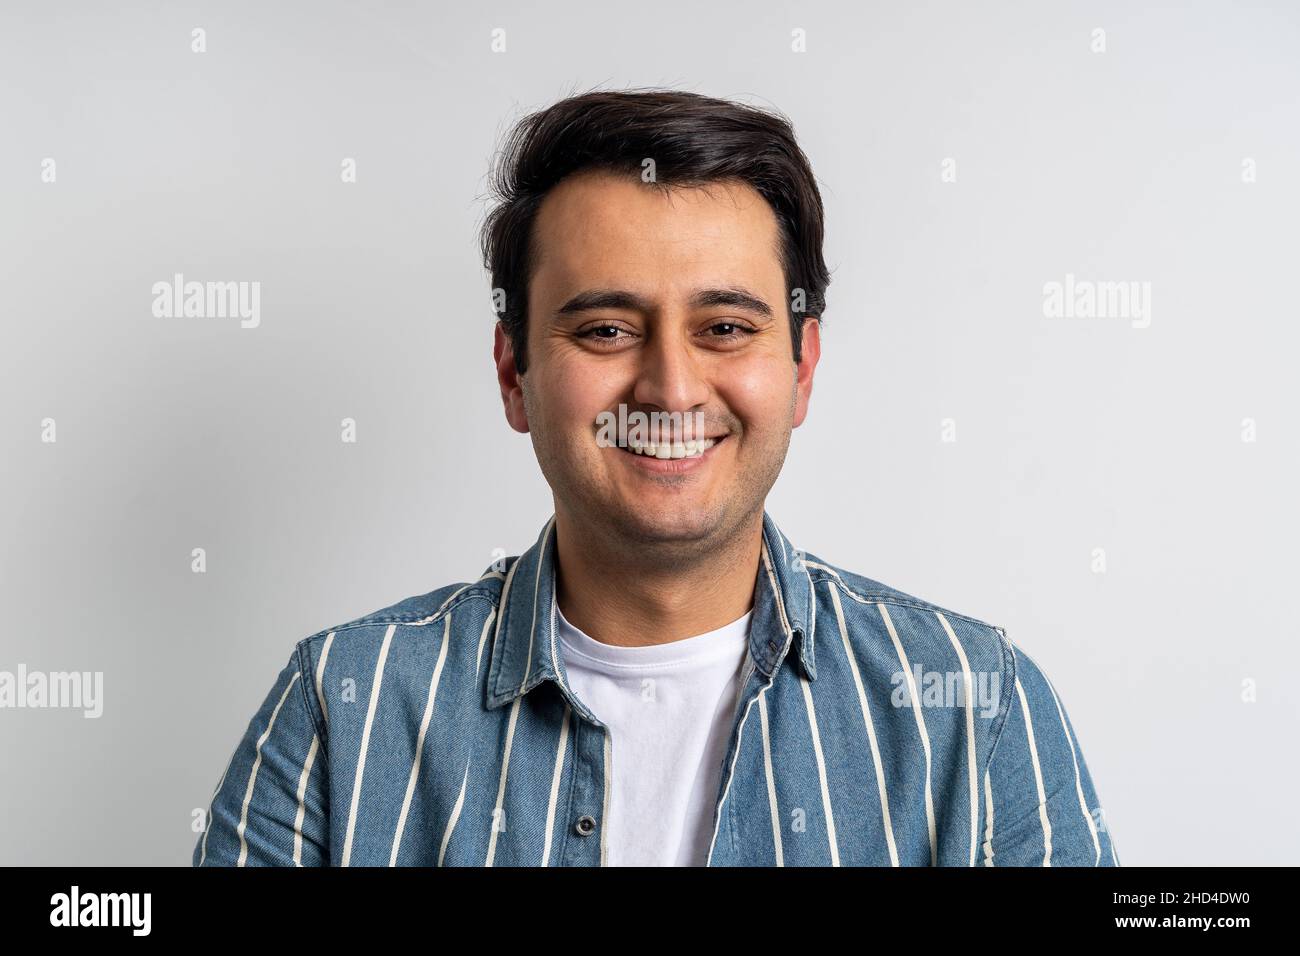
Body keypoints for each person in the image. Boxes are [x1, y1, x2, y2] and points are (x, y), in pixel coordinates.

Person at [194, 88, 1118, 867]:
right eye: (605, 330)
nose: (670, 388)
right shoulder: (341, 707)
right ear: (515, 373)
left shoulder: (973, 706)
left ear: (801, 371)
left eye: (724, 328)